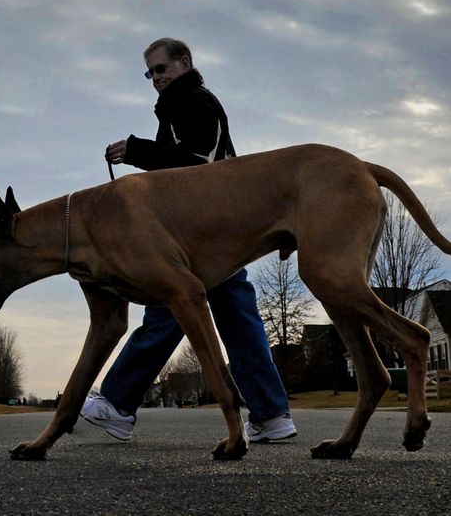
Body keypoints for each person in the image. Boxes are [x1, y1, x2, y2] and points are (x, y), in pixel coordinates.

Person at [80, 38, 296, 443]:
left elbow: (200, 167)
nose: (156, 78)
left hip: (203, 231)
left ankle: (117, 403)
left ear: (185, 63)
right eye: (150, 73)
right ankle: (270, 415)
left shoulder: (194, 102)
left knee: (167, 306)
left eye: (161, 68)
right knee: (236, 315)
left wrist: (137, 151)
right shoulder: (180, 107)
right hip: (219, 227)